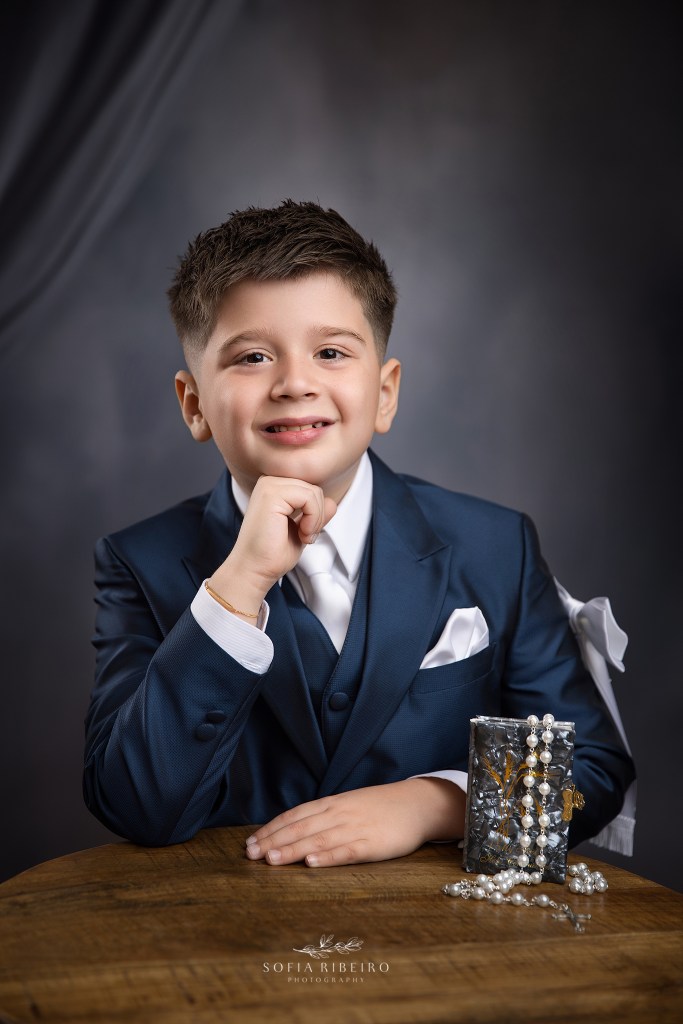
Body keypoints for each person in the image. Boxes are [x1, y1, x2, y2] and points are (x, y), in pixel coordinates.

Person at [84, 200, 634, 867]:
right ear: (194, 404)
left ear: (384, 393)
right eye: (253, 356)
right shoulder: (139, 561)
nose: (293, 383)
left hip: (445, 942)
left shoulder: (494, 546)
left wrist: (435, 802)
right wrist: (237, 586)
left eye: (330, 352)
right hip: (225, 939)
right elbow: (135, 805)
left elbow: (595, 773)